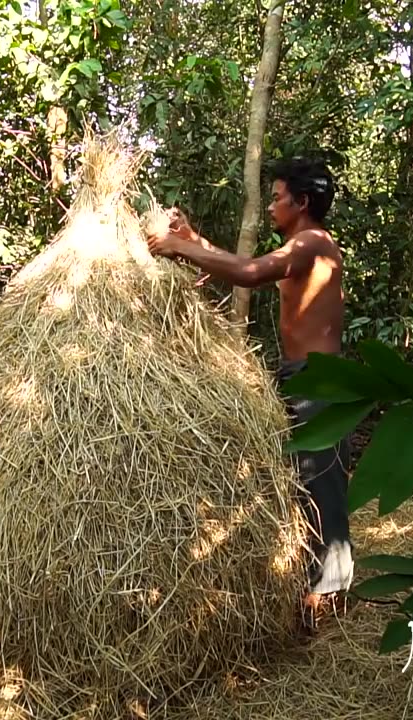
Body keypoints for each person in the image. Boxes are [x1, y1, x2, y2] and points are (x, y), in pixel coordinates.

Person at [145, 157, 354, 624]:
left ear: (302, 202)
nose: (273, 205)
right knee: (302, 481)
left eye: (278, 197)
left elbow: (250, 272)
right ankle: (312, 582)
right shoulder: (302, 245)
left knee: (323, 485)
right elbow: (244, 265)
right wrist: (191, 240)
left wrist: (179, 248)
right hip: (301, 375)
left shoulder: (313, 244)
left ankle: (331, 594)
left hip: (318, 381)